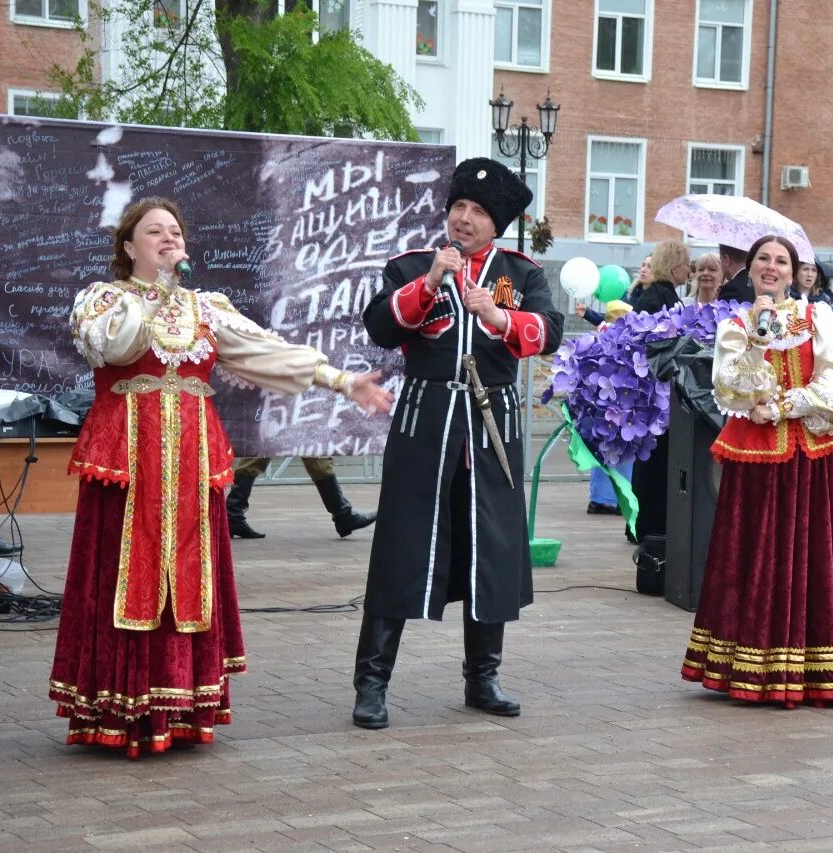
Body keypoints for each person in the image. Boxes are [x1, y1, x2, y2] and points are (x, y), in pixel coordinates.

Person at [49, 197, 392, 758]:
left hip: (187, 467)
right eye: (153, 232)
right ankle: (115, 709)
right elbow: (117, 344)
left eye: (175, 231)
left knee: (187, 578)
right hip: (128, 468)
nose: (167, 238)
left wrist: (341, 380)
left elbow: (267, 352)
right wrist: (156, 289)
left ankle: (180, 709)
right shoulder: (103, 300)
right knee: (121, 576)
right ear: (128, 246)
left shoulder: (206, 308)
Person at [353, 158, 564, 728]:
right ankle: (371, 683)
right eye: (459, 209)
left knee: (488, 547)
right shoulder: (409, 265)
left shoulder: (522, 274)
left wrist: (496, 314)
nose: (465, 220)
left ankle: (482, 677)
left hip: (493, 423)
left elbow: (549, 332)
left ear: (497, 224)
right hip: (426, 422)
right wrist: (429, 285)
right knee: (402, 545)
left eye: (477, 212)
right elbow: (379, 326)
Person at [680, 235, 833, 708]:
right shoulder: (737, 324)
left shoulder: (815, 316)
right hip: (756, 459)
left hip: (807, 457)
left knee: (807, 553)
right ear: (750, 267)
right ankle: (746, 665)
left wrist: (784, 405)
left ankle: (809, 669)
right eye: (764, 259)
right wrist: (758, 342)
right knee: (752, 552)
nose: (772, 267)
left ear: (794, 270)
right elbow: (730, 386)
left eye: (782, 261)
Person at [629, 240, 692, 545]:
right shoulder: (661, 299)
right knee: (654, 465)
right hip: (658, 396)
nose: (689, 270)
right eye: (687, 264)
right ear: (674, 265)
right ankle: (648, 527)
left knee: (650, 463)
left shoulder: (659, 295)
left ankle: (643, 524)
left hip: (654, 396)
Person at [572, 299, 636, 515]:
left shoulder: (601, 335)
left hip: (600, 406)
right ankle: (616, 498)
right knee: (623, 453)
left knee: (603, 451)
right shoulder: (630, 339)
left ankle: (601, 498)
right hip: (624, 408)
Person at [225, 456, 375, 539]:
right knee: (315, 452)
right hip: (290, 403)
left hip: (282, 404)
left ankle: (234, 514)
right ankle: (343, 516)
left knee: (260, 451)